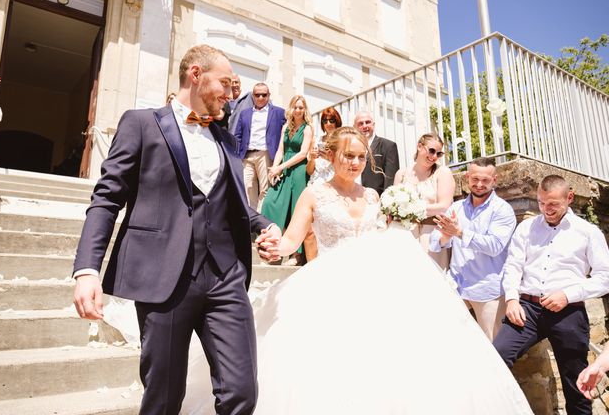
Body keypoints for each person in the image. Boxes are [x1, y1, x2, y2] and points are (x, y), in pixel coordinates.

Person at [179, 126, 533, 414]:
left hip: (371, 289)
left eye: (361, 157)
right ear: (332, 156)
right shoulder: (314, 194)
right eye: (349, 155)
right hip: (329, 287)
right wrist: (276, 248)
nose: (355, 162)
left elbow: (384, 241)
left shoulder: (374, 198)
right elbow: (292, 240)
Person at [72, 44, 281, 415]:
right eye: (226, 83)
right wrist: (88, 269)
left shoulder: (227, 139)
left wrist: (264, 225)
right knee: (164, 397)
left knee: (241, 393)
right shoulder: (141, 123)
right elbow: (106, 198)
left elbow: (233, 203)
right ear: (196, 75)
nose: (233, 94)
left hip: (225, 277)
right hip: (163, 275)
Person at [493, 175, 609, 415]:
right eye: (542, 203)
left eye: (553, 204)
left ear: (569, 198)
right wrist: (512, 298)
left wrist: (567, 294)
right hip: (528, 310)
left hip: (569, 312)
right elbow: (513, 265)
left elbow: (604, 278)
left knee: (576, 384)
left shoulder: (588, 232)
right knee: (495, 359)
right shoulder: (526, 227)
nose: (546, 209)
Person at [429, 157, 516, 340]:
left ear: (495, 180)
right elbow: (435, 241)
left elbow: (494, 246)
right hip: (456, 286)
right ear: (467, 177)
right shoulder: (456, 207)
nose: (479, 184)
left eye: (485, 180)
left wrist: (459, 232)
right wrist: (447, 234)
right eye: (475, 179)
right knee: (452, 340)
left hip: (486, 290)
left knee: (493, 346)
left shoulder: (502, 210)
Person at [261, 95, 313, 265]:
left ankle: (296, 255)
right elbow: (280, 150)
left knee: (295, 209)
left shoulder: (307, 129)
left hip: (298, 170)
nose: (298, 110)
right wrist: (273, 169)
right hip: (283, 168)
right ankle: (271, 246)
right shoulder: (285, 127)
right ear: (291, 108)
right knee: (270, 202)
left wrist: (281, 167)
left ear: (305, 110)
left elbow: (303, 153)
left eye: (301, 107)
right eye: (296, 107)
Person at [393, 133, 455, 270]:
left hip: (431, 236)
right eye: (431, 150)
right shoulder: (401, 174)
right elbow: (394, 205)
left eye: (439, 154)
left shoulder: (442, 172)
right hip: (406, 235)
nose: (434, 157)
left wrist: (414, 209)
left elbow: (444, 206)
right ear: (420, 146)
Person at [233, 83, 285, 211]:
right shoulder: (245, 113)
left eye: (264, 95)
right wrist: (237, 156)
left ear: (269, 95)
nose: (261, 97)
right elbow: (237, 136)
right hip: (247, 156)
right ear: (252, 96)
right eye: (257, 95)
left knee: (265, 189)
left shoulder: (279, 112)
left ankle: (261, 223)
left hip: (266, 154)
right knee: (246, 186)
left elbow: (288, 132)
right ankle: (253, 220)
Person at [304, 107, 342, 261]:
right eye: (325, 121)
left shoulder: (342, 139)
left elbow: (344, 166)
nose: (328, 124)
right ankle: (310, 261)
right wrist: (312, 158)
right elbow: (309, 171)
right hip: (317, 182)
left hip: (333, 182)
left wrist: (330, 159)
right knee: (311, 226)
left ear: (337, 121)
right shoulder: (317, 140)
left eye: (331, 120)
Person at [354, 110, 399, 195]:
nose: (364, 126)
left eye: (367, 122)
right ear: (355, 127)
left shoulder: (388, 146)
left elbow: (391, 179)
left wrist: (385, 202)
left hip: (375, 199)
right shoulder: (350, 147)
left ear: (373, 124)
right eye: (360, 123)